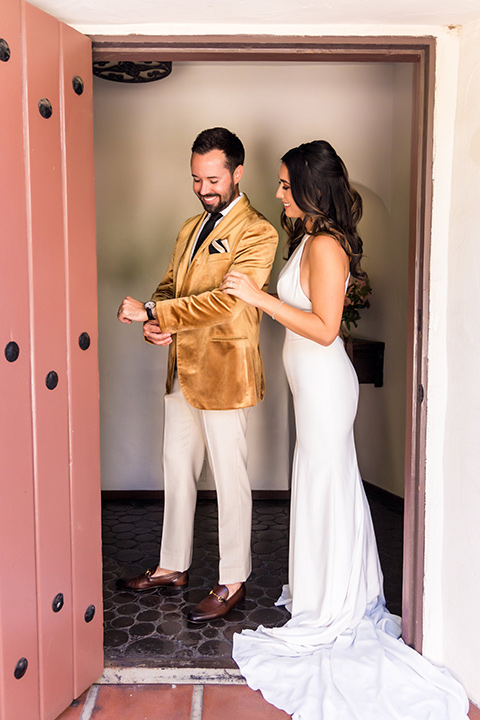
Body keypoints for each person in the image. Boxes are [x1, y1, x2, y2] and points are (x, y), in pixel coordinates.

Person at [220, 141, 468, 718]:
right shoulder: (305, 237)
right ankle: (321, 591)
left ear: (309, 188)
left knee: (328, 484)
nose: (277, 193)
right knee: (320, 482)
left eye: (285, 185)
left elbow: (327, 329)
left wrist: (258, 297)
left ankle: (336, 603)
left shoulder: (327, 244)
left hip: (329, 388)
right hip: (311, 388)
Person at [116, 127, 278, 623]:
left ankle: (233, 580)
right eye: (196, 179)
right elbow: (171, 284)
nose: (204, 189)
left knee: (231, 478)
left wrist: (154, 314)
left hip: (227, 373)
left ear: (237, 173)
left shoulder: (259, 231)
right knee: (176, 470)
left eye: (212, 179)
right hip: (181, 370)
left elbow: (226, 302)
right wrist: (152, 318)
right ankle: (172, 565)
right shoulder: (190, 227)